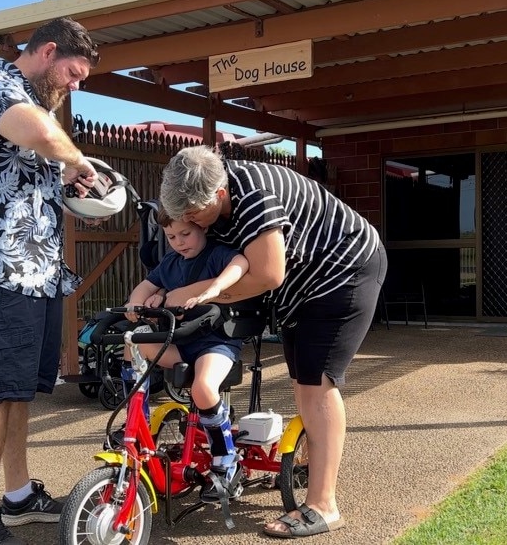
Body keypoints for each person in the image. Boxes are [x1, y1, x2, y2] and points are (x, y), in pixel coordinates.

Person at [159, 146, 387, 539]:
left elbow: (267, 274)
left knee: (317, 385)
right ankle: (313, 479)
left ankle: (323, 506)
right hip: (303, 288)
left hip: (342, 273)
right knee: (302, 385)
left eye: (193, 215)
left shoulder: (254, 195)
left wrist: (194, 292)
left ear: (218, 195)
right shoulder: (214, 193)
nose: (189, 222)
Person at [0, 18, 100, 545]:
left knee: (20, 391)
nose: (74, 85)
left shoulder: (30, 102)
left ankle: (18, 493)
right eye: (73, 73)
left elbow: (33, 167)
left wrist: (75, 186)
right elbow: (43, 135)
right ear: (48, 51)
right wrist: (78, 162)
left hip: (36, 271)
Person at [124, 207, 249, 502]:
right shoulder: (171, 262)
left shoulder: (217, 254)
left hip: (215, 344)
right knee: (135, 342)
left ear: (202, 227)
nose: (179, 241)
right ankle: (132, 425)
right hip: (180, 342)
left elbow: (240, 263)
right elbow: (147, 284)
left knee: (203, 388)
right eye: (171, 236)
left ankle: (225, 459)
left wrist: (216, 286)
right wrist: (135, 303)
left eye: (185, 233)